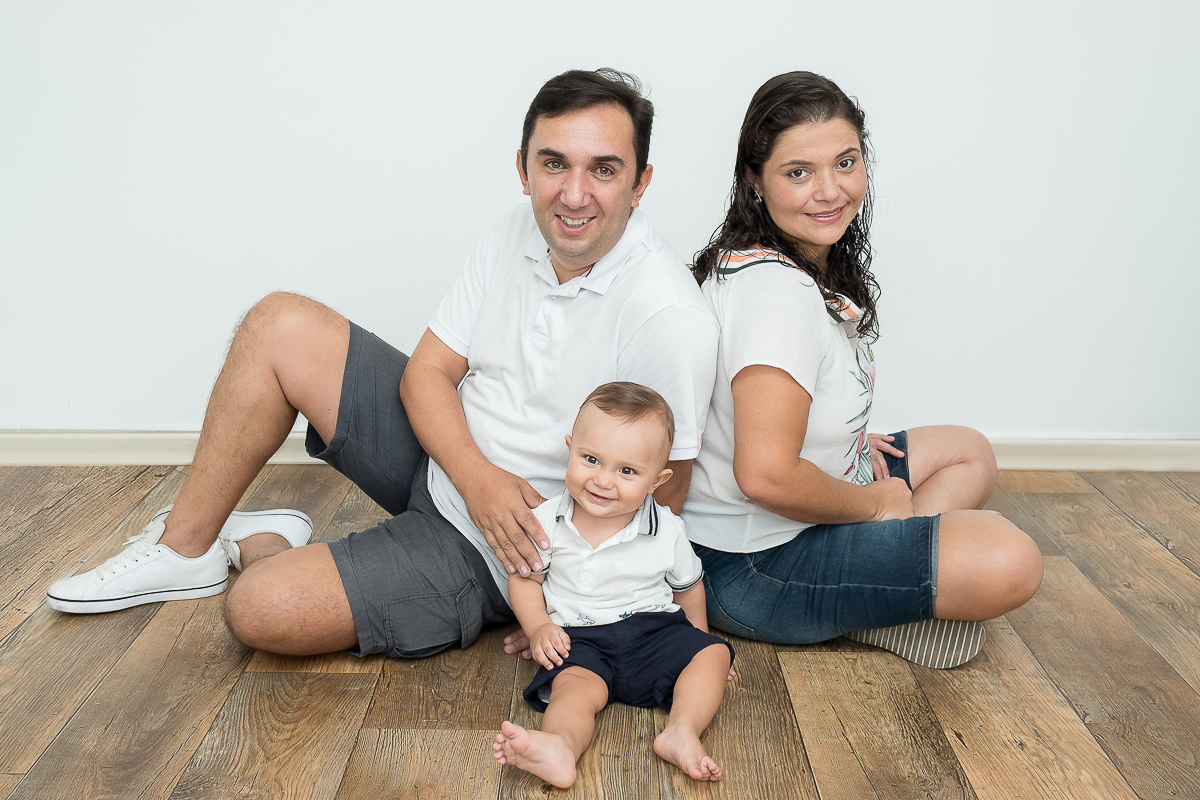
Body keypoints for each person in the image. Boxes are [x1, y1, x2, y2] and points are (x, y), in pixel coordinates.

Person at [48, 69, 719, 664]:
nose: (574, 195)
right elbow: (426, 375)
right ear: (523, 169)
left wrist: (557, 604)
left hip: (507, 551)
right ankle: (183, 549)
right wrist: (477, 477)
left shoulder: (668, 317)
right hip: (449, 458)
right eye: (554, 165)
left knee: (260, 609)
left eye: (603, 169)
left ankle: (262, 543)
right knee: (277, 321)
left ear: (641, 183)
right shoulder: (516, 228)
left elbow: (665, 495)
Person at [682, 72, 1043, 669]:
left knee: (967, 452)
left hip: (785, 518)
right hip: (752, 564)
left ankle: (880, 590)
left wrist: (845, 444)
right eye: (799, 172)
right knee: (1010, 558)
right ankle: (878, 600)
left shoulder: (776, 261)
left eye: (845, 163)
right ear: (755, 179)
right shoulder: (776, 298)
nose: (829, 191)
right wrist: (875, 506)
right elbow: (766, 476)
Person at [493, 382, 733, 788]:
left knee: (713, 656)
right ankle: (560, 747)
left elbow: (688, 588)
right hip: (580, 639)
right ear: (569, 448)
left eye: (627, 471)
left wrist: (699, 641)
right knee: (572, 691)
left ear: (657, 480)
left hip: (655, 632)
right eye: (590, 459)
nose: (603, 481)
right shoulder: (548, 520)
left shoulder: (667, 529)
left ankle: (681, 731)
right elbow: (526, 580)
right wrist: (538, 627)